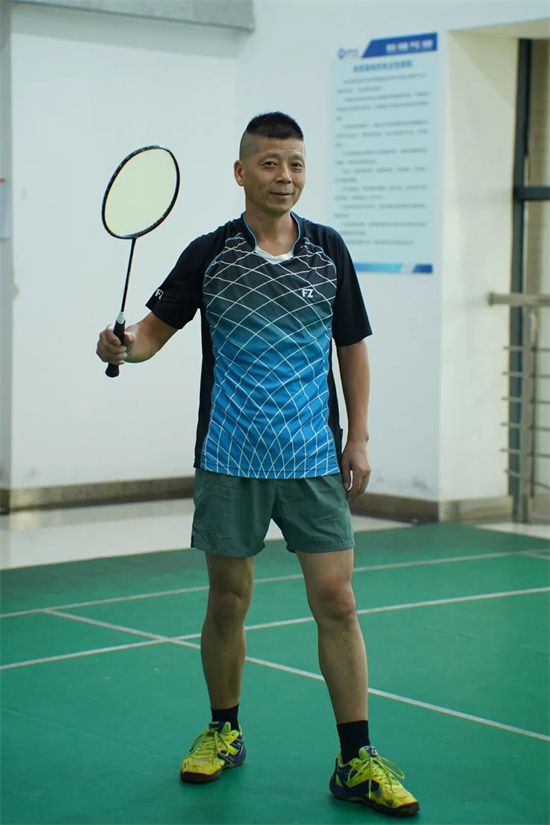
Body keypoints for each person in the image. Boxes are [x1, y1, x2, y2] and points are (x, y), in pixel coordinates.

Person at [96, 112, 419, 818]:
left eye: (296, 163)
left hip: (312, 457)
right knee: (228, 600)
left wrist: (359, 437)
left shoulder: (328, 251)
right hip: (230, 455)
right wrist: (121, 346)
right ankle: (224, 730)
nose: (285, 176)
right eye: (270, 163)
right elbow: (150, 335)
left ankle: (356, 758)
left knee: (338, 601)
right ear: (242, 172)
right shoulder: (210, 253)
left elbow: (352, 346)